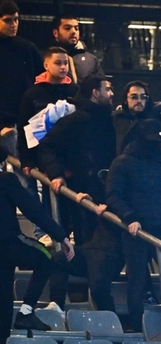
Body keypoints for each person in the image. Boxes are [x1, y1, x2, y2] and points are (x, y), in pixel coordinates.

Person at [105, 119, 161, 333]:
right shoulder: (124, 163)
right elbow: (113, 195)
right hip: (136, 230)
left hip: (160, 227)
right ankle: (137, 324)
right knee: (137, 278)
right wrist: (129, 217)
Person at [0, 158, 74, 344]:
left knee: (4, 295)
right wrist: (61, 236)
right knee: (46, 257)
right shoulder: (6, 179)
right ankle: (25, 311)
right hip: (8, 241)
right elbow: (31, 209)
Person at [38, 74, 116, 245]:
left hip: (109, 192)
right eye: (107, 89)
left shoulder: (112, 120)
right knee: (88, 242)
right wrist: (56, 174)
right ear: (95, 93)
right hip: (83, 192)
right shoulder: (73, 121)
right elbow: (47, 147)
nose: (112, 93)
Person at [16, 47, 78, 171]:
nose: (63, 67)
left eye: (65, 63)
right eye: (57, 63)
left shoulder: (75, 91)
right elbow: (24, 128)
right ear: (46, 65)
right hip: (42, 156)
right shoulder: (32, 94)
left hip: (72, 155)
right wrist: (27, 160)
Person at [0, 0, 42, 146]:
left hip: (26, 117)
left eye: (16, 19)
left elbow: (40, 79)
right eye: (8, 20)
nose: (13, 24)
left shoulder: (27, 48)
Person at [112, 80, 161, 156]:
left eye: (143, 97)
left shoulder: (156, 118)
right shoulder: (117, 119)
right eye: (134, 97)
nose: (139, 101)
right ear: (125, 100)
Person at [51, 15, 103, 83]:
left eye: (76, 28)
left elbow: (102, 87)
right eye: (67, 28)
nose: (73, 32)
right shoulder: (47, 58)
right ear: (55, 33)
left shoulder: (91, 59)